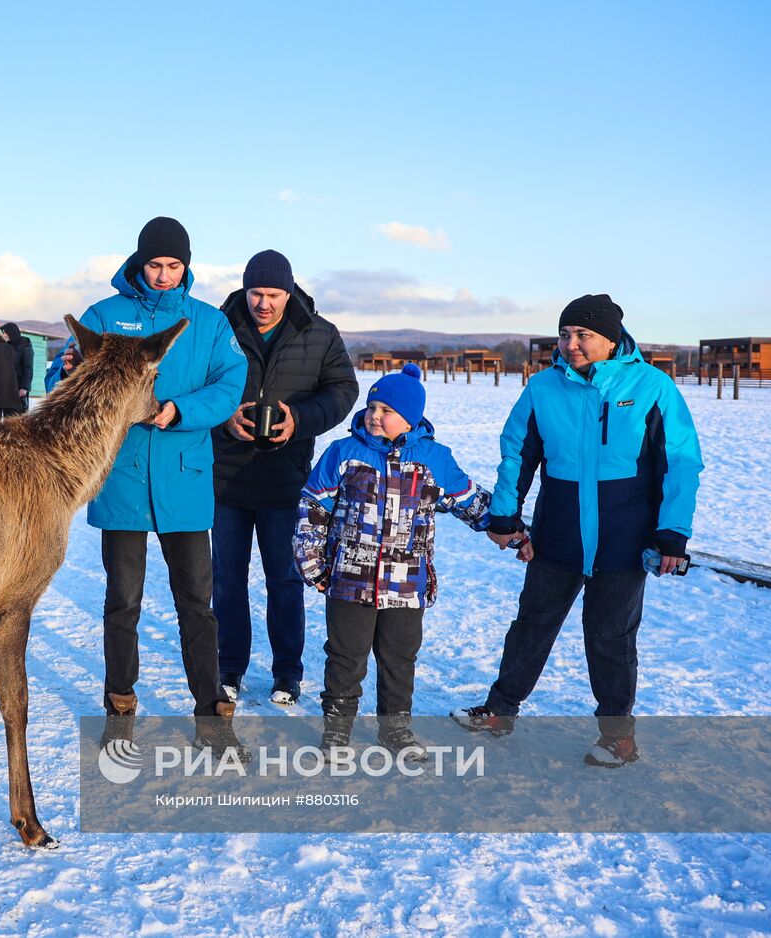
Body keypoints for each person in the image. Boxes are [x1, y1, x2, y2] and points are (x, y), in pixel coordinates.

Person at [452, 294, 703, 767]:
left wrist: (672, 533)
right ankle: (500, 711)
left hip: (624, 537)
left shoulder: (653, 387)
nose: (570, 344)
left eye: (583, 335)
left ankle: (617, 736)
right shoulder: (543, 387)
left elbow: (681, 464)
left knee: (610, 636)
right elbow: (517, 454)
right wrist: (505, 518)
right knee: (531, 625)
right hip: (558, 531)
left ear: (611, 339)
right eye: (565, 334)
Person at [44, 216, 247, 747]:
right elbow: (56, 381)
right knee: (123, 602)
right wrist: (64, 371)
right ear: (139, 263)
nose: (162, 275)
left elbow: (230, 384)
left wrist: (180, 409)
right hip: (124, 479)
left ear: (186, 266)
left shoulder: (209, 324)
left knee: (196, 605)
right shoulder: (103, 317)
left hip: (185, 481)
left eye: (173, 265)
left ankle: (210, 713)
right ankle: (119, 706)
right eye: (154, 265)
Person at [296, 364, 490, 758]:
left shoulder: (434, 458)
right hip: (349, 578)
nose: (374, 415)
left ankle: (395, 728)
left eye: (386, 409)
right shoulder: (344, 453)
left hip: (407, 584)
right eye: (372, 406)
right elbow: (313, 507)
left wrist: (511, 528)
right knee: (345, 657)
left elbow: (470, 501)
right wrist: (312, 564)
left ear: (411, 416)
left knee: (399, 658)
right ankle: (336, 730)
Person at [212, 250, 358, 706]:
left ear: (290, 291)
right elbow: (196, 385)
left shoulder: (320, 333)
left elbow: (343, 390)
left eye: (274, 294)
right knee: (227, 579)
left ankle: (287, 673)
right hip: (227, 480)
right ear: (245, 289)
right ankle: (229, 667)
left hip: (286, 479)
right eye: (257, 293)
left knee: (285, 579)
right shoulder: (219, 329)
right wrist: (224, 419)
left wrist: (301, 418)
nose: (264, 303)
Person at [0, 323, 34, 410]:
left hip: (19, 388)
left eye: (5, 332)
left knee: (19, 417)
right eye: (3, 332)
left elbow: (28, 368)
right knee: (8, 416)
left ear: (12, 332)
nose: (4, 335)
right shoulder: (7, 346)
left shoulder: (25, 346)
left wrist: (24, 388)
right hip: (8, 387)